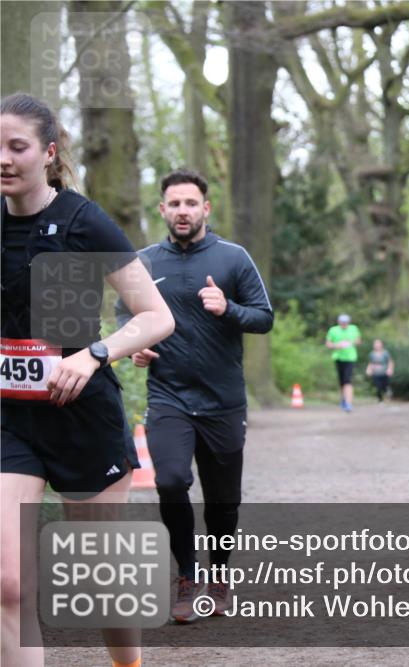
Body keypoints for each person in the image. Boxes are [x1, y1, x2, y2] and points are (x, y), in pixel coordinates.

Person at [1, 93, 175, 667]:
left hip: (81, 417)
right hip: (10, 420)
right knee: (7, 583)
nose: (3, 158)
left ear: (48, 153)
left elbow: (156, 317)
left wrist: (94, 354)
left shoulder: (82, 220)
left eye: (16, 147)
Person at [115, 169, 273, 624]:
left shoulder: (233, 258)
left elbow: (264, 318)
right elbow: (125, 315)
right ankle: (186, 575)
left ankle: (219, 577)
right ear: (162, 210)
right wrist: (135, 345)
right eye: (174, 204)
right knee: (169, 481)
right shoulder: (143, 263)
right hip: (169, 398)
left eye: (190, 203)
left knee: (224, 501)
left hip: (223, 401)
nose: (182, 211)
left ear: (206, 208)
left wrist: (229, 309)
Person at [325, 313, 361, 412]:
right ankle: (344, 399)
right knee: (342, 382)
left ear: (348, 322)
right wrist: (337, 345)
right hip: (338, 358)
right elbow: (328, 344)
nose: (344, 324)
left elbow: (358, 341)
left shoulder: (354, 329)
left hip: (350, 358)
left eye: (345, 323)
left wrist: (351, 343)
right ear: (339, 322)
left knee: (347, 381)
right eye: (342, 323)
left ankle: (349, 403)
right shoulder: (333, 330)